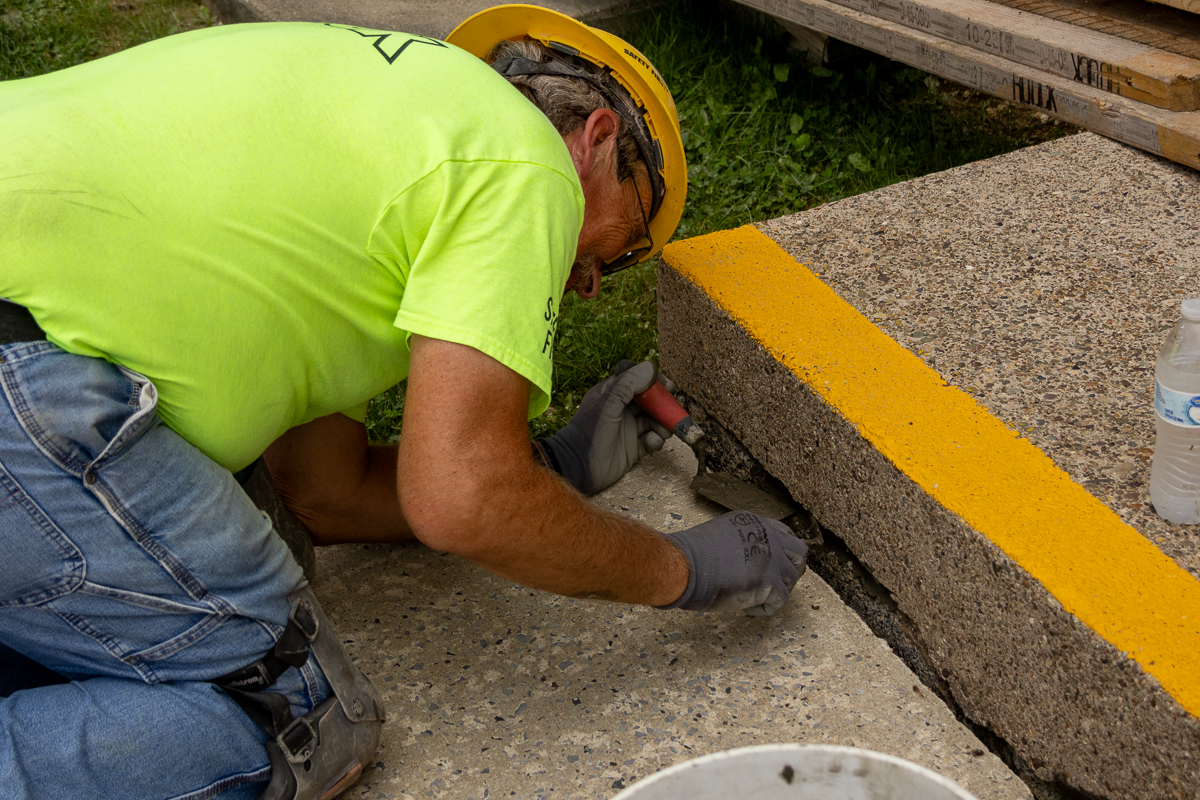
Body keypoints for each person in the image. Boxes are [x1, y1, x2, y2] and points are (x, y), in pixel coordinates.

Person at [0, 5, 808, 798]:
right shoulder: (528, 164)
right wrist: (683, 570)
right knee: (292, 715)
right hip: (25, 379)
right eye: (617, 247)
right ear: (596, 140)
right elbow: (465, 499)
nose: (590, 284)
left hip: (28, 339)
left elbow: (323, 494)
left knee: (273, 541)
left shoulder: (385, 139)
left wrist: (548, 473)